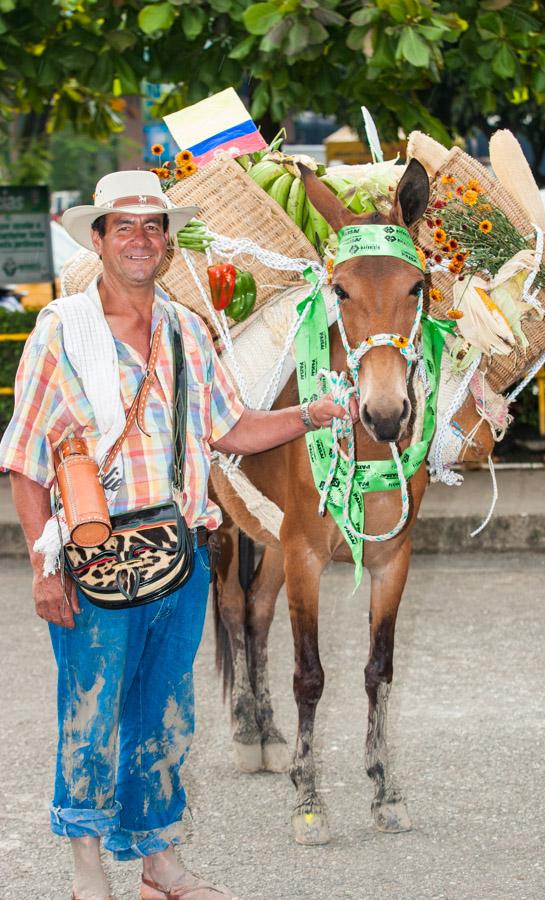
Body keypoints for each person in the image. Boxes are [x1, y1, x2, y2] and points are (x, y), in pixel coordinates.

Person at [0, 170, 349, 900]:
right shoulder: (63, 331)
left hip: (181, 555)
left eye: (152, 226)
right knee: (91, 713)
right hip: (92, 558)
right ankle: (87, 868)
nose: (139, 239)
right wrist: (43, 566)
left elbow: (232, 429)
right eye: (122, 226)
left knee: (167, 715)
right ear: (97, 240)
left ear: (166, 240)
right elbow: (27, 462)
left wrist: (313, 415)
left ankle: (158, 864)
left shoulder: (187, 329)